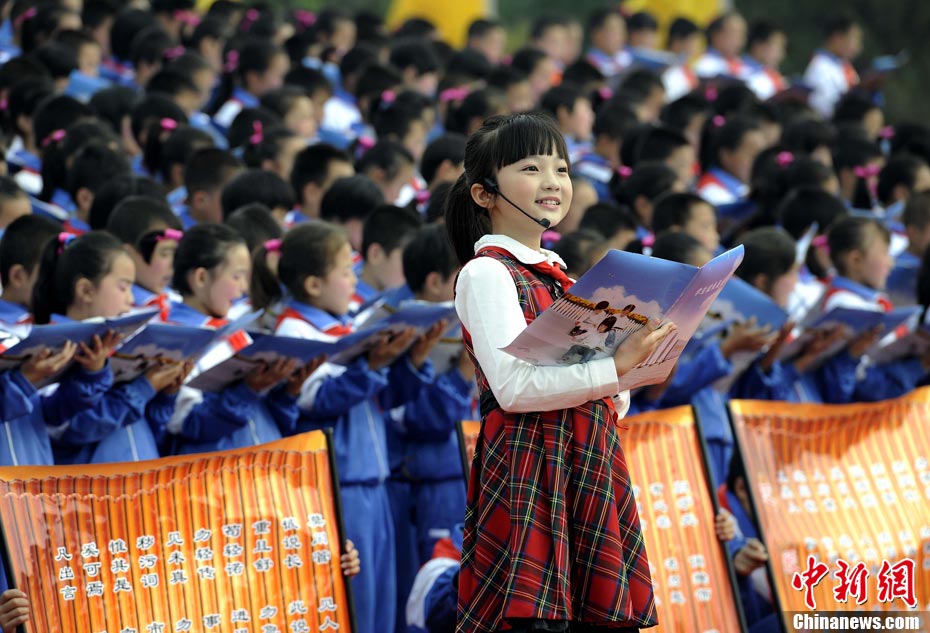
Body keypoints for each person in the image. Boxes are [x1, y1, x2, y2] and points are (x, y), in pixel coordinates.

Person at [445, 113, 675, 632]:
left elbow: (606, 391)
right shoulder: (487, 273)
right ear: (484, 194)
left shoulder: (564, 278)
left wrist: (636, 366)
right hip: (531, 463)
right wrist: (614, 369)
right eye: (531, 168)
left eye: (562, 169)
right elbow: (513, 388)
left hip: (587, 454)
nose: (552, 182)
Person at [803, 15, 863, 118]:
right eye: (854, 38)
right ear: (837, 38)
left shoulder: (846, 68)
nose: (858, 46)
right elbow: (823, 108)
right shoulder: (820, 68)